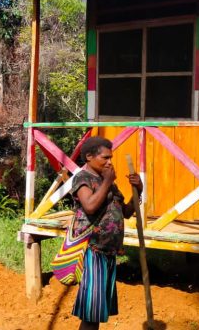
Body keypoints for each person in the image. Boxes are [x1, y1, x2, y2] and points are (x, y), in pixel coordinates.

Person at [70, 137, 142, 330]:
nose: (110, 162)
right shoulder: (82, 178)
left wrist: (138, 191)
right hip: (92, 251)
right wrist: (108, 181)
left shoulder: (109, 182)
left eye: (111, 157)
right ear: (89, 157)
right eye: (105, 158)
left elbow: (126, 212)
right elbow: (90, 206)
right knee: (91, 315)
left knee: (97, 313)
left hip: (109, 253)